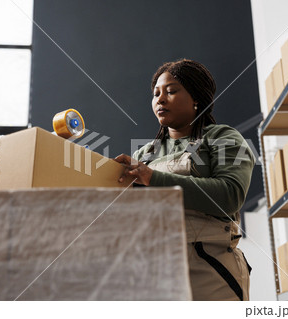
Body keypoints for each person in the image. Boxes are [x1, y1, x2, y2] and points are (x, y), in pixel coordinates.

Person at [114, 58, 255, 301]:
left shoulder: (222, 137)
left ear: (196, 98)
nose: (160, 99)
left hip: (209, 267)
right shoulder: (144, 154)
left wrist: (153, 178)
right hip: (154, 269)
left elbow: (230, 195)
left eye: (170, 91)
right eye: (156, 93)